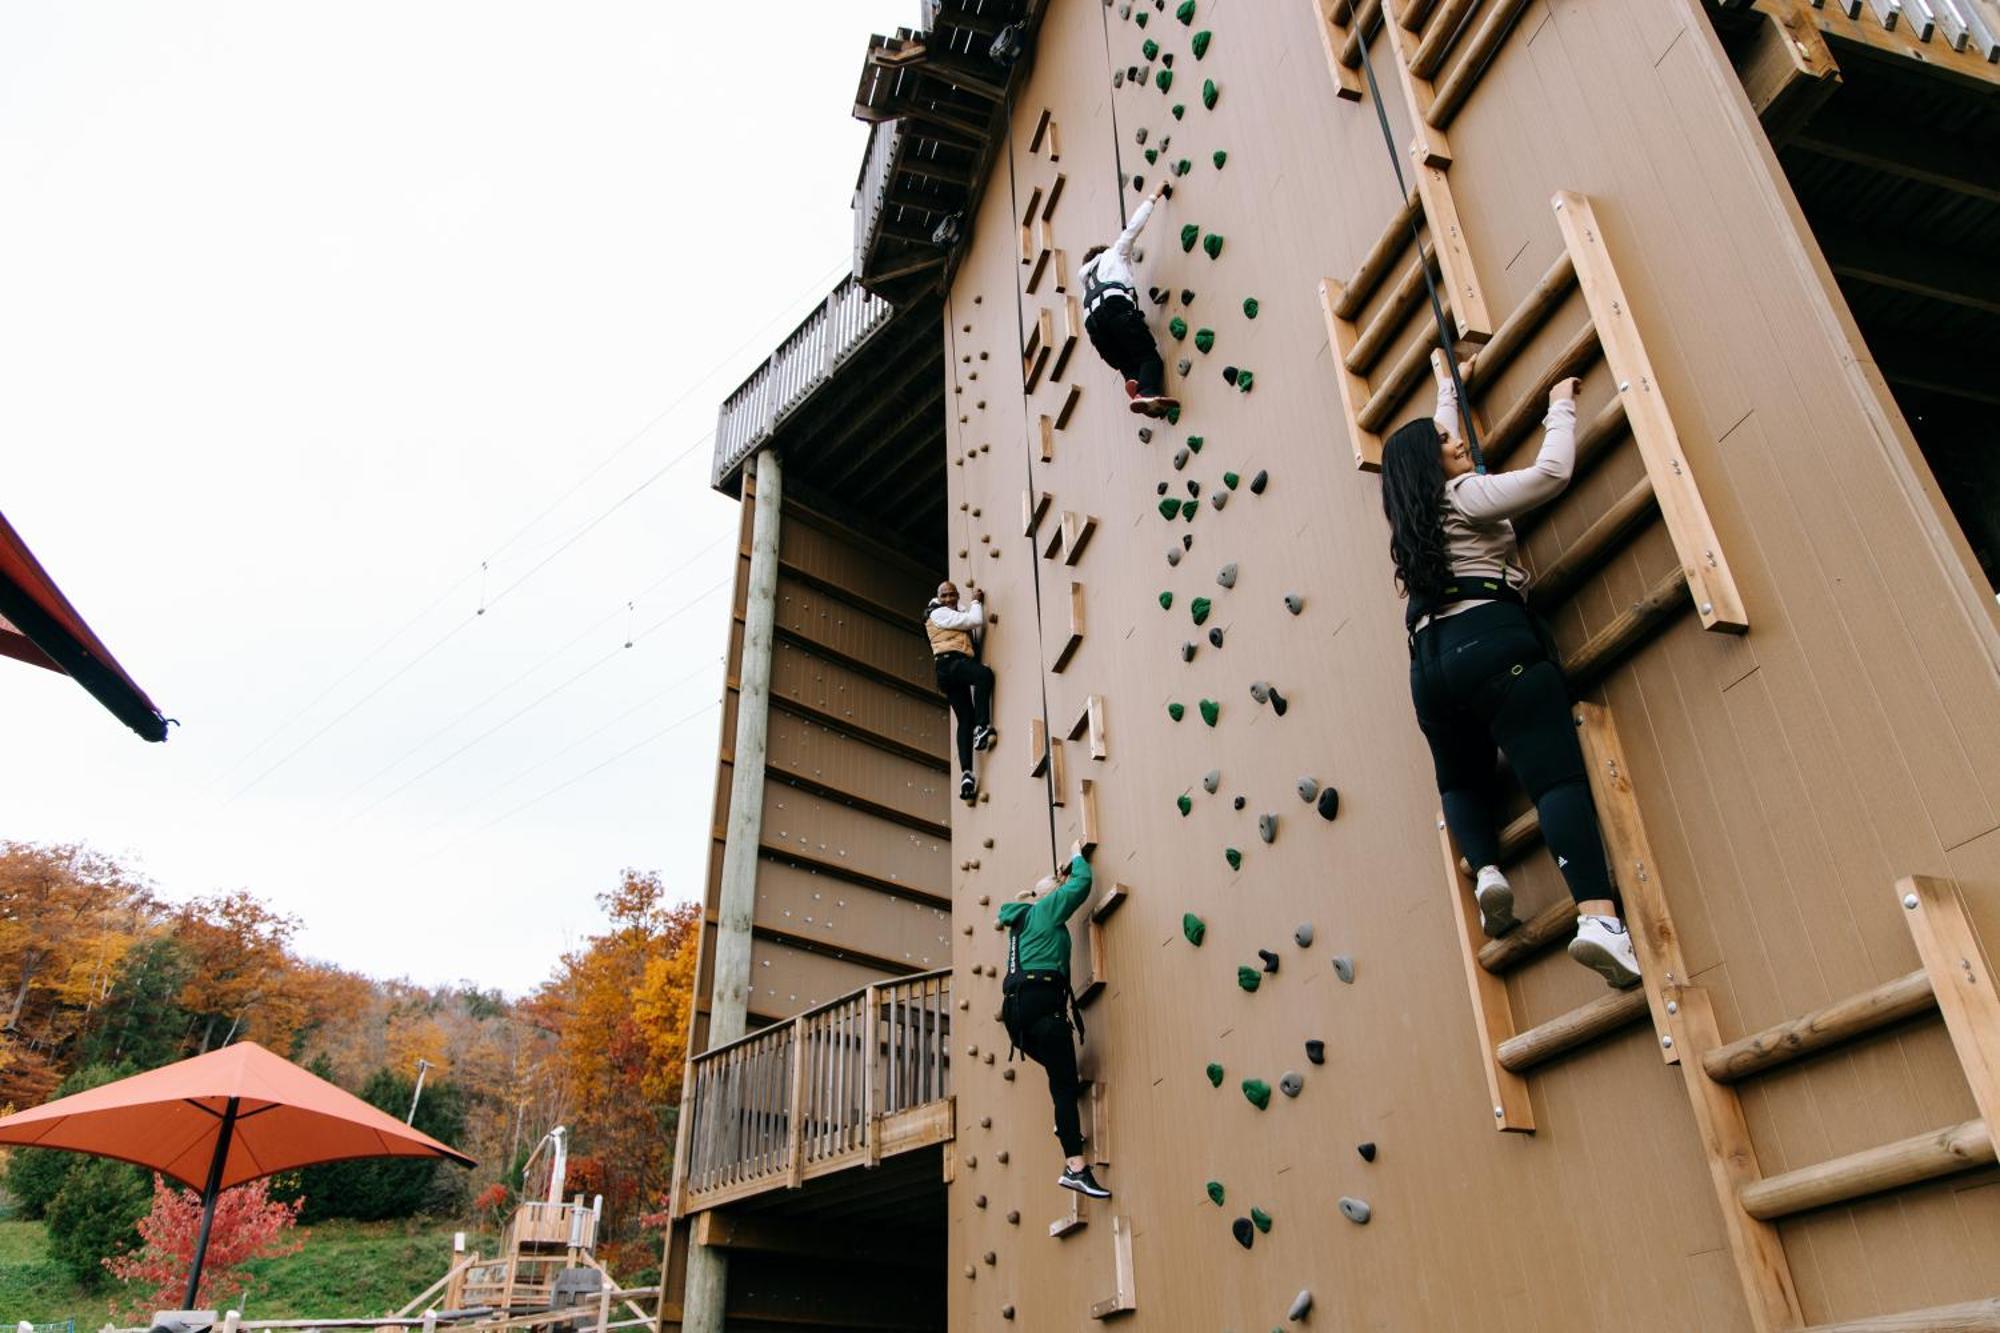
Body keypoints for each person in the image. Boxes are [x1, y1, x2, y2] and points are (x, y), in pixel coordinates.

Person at [1378, 353, 1641, 990]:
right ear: (1430, 465)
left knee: (1461, 782)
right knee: (1554, 779)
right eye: (1447, 442)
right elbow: (1552, 472)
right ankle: (1599, 920)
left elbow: (1434, 435)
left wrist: (1447, 383)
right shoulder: (1465, 494)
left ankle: (1488, 872)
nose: (1458, 439)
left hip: (1429, 667)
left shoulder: (1412, 520)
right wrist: (1559, 401)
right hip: (1492, 640)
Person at [996, 841, 1109, 1198]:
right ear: (1049, 898)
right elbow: (1081, 886)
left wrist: (1056, 880)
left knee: (1061, 1080)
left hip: (1019, 1018)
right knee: (1063, 1087)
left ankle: (1065, 1127)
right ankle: (1075, 1166)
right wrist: (1077, 858)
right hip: (1042, 1004)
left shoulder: (1023, 921)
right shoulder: (1044, 910)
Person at [1080, 180, 1178, 418]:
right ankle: (1147, 391)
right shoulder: (1114, 253)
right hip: (1115, 307)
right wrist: (1155, 194)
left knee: (1128, 361)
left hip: (1093, 326)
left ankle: (1134, 382)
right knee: (1148, 356)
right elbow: (1135, 225)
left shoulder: (1086, 280)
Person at [926, 580, 993, 804]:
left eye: (952, 595)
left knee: (965, 718)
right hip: (953, 664)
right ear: (938, 598)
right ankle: (982, 727)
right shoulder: (939, 614)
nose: (948, 599)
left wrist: (965, 605)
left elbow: (963, 617)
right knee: (984, 675)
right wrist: (975, 601)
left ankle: (967, 774)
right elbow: (974, 620)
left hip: (945, 672)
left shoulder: (944, 612)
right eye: (944, 596)